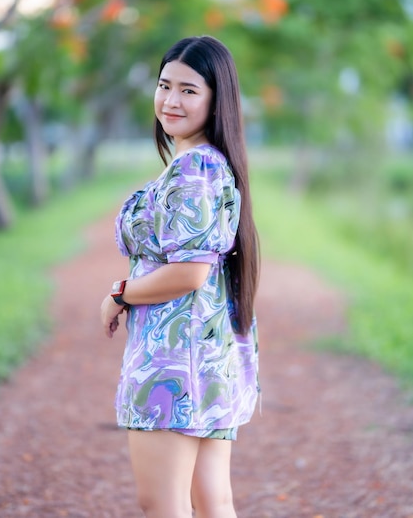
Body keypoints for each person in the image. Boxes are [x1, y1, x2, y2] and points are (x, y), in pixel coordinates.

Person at [100, 35, 260, 518]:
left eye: (189, 90)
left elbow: (190, 273)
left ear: (216, 98)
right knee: (212, 503)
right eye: (164, 85)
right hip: (206, 357)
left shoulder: (193, 170)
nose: (170, 100)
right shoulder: (213, 164)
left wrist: (120, 294)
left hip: (173, 363)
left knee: (164, 507)